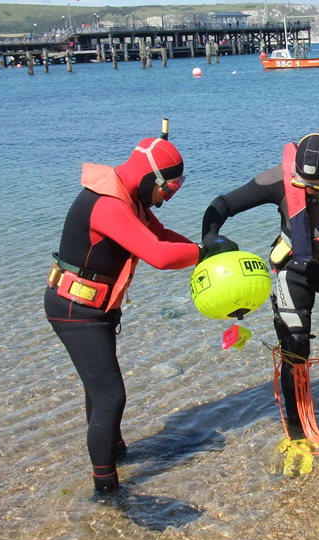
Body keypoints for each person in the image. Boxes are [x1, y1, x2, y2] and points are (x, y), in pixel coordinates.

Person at [45, 129, 239, 497]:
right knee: (110, 396)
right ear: (151, 177)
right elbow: (159, 255)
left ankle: (114, 453)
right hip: (75, 310)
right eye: (168, 189)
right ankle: (106, 490)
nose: (168, 197)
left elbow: (162, 235)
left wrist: (207, 248)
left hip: (94, 309)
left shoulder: (130, 199)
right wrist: (203, 254)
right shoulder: (106, 204)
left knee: (98, 388)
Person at [201, 127, 319, 438]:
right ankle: (296, 427)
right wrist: (211, 239)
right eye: (305, 185)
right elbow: (222, 205)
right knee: (295, 347)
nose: (313, 191)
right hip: (295, 269)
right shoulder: (279, 178)